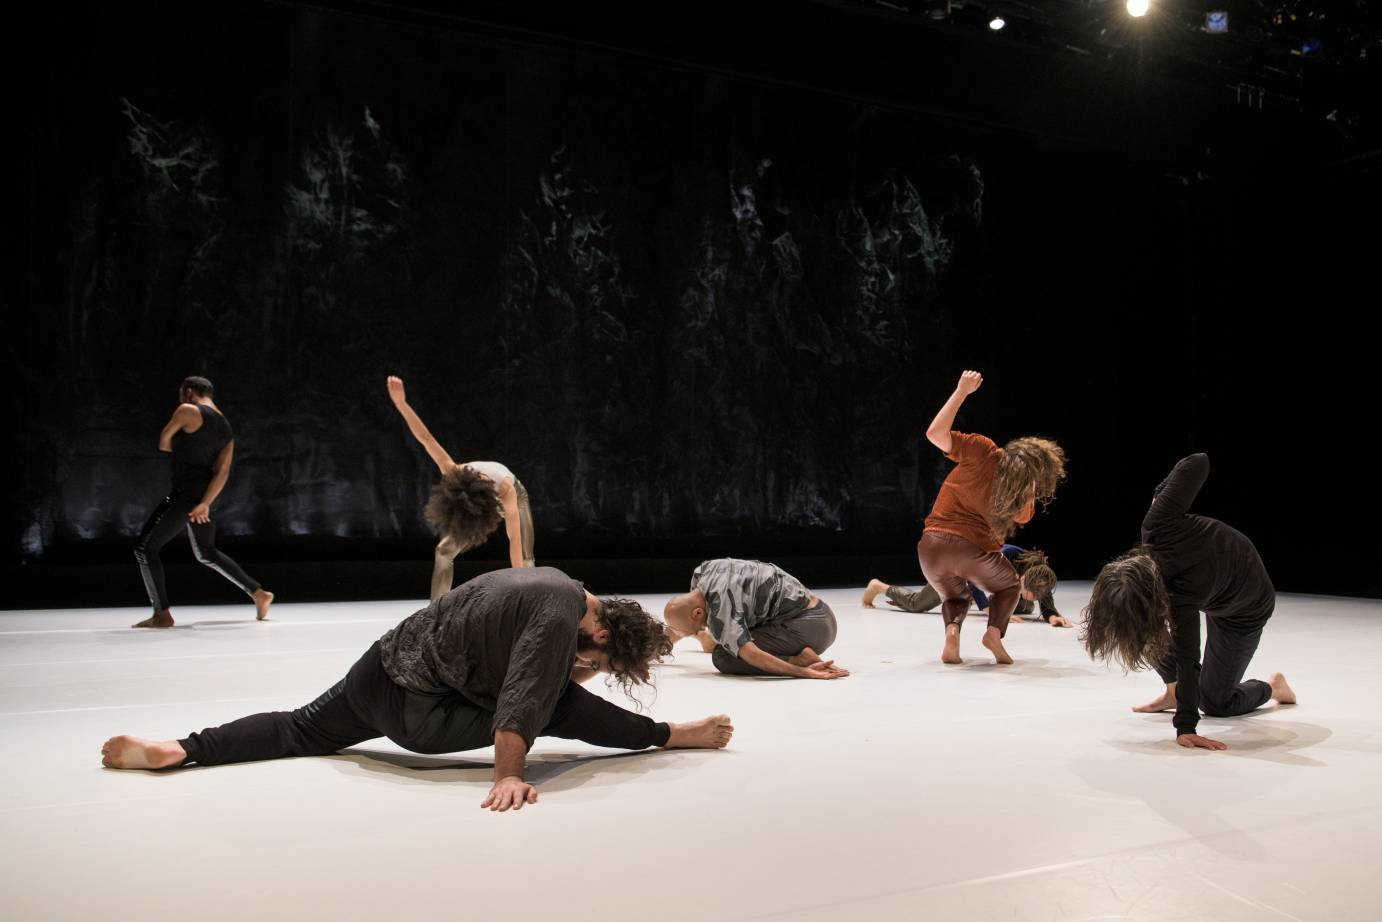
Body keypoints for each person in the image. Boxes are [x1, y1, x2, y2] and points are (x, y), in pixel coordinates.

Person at [101, 567, 735, 811]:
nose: (591, 665)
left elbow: (501, 653)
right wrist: (507, 775)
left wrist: (565, 669)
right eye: (598, 659)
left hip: (376, 669)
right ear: (598, 633)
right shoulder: (558, 621)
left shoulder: (548, 583)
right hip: (418, 715)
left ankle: (179, 749)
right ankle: (671, 735)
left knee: (297, 726)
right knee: (555, 701)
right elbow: (522, 700)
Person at [1082, 453, 1295, 750]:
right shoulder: (1155, 528)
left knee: (1216, 702)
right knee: (1138, 626)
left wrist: (1186, 725)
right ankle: (1173, 689)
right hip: (1216, 583)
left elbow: (1187, 659)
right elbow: (1197, 462)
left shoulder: (1180, 592)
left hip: (1245, 605)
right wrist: (1161, 497)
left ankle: (1273, 687)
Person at [916, 370, 1066, 664]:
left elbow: (934, 434)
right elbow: (1023, 519)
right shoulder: (1020, 490)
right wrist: (1029, 485)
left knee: (955, 597)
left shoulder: (983, 450)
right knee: (1009, 586)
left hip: (929, 548)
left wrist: (961, 391)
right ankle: (993, 633)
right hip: (972, 550)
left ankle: (952, 632)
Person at [132, 376, 272, 628]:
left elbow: (164, 442)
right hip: (206, 496)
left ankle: (161, 614)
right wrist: (206, 503)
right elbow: (223, 471)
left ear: (188, 392)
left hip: (186, 494)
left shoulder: (188, 410)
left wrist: (183, 447)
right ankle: (259, 593)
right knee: (206, 552)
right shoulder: (226, 428)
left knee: (145, 549)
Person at [387, 375, 535, 601]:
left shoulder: (506, 489)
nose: (483, 475)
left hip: (517, 496)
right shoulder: (454, 473)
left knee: (525, 557)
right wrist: (401, 403)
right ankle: (436, 610)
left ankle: (532, 599)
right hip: (476, 508)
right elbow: (425, 438)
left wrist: (520, 581)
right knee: (444, 551)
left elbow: (513, 536)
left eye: (483, 479)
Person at [663, 558, 848, 679]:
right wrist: (656, 647)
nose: (701, 631)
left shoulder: (721, 612)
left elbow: (752, 655)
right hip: (821, 612)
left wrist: (802, 672)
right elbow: (681, 622)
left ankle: (798, 658)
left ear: (697, 613)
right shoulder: (702, 572)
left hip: (810, 629)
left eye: (697, 630)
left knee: (722, 655)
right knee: (726, 639)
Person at [861, 545, 1073, 627]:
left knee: (1024, 608)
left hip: (982, 582)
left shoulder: (1039, 573)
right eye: (1028, 590)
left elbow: (1044, 595)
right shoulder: (1006, 556)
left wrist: (1052, 616)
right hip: (958, 572)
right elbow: (973, 576)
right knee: (917, 604)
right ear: (1023, 577)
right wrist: (990, 610)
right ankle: (879, 587)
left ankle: (980, 600)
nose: (1034, 597)